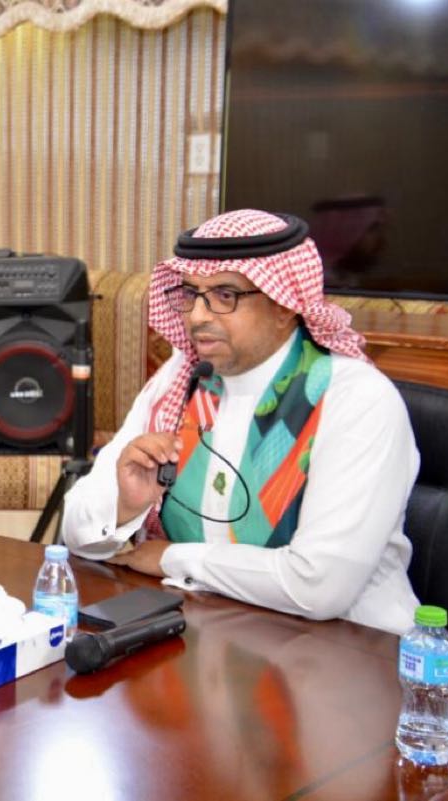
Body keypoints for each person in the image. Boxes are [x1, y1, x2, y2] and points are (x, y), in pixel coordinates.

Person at [61, 209, 419, 633]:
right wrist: (124, 506)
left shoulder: (354, 399)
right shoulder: (179, 381)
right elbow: (76, 531)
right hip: (210, 630)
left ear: (284, 305)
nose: (197, 316)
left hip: (351, 647)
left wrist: (171, 557)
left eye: (225, 294)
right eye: (191, 294)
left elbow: (318, 587)